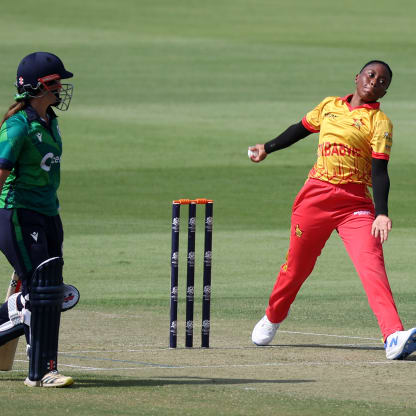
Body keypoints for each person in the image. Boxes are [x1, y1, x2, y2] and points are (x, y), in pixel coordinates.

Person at [248, 60, 416, 360]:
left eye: (382, 80)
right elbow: (300, 129)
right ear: (357, 78)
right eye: (371, 75)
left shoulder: (380, 123)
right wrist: (268, 147)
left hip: (355, 205)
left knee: (372, 264)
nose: (375, 81)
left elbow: (379, 171)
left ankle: (392, 336)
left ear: (385, 91)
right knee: (297, 268)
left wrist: (381, 212)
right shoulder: (329, 106)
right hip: (315, 198)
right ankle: (273, 317)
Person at [0, 52, 75, 386]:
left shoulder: (50, 120)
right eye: (55, 83)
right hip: (17, 213)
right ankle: (43, 370)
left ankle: (44, 365)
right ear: (36, 87)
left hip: (47, 213)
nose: (61, 88)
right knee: (42, 291)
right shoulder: (18, 126)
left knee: (44, 288)